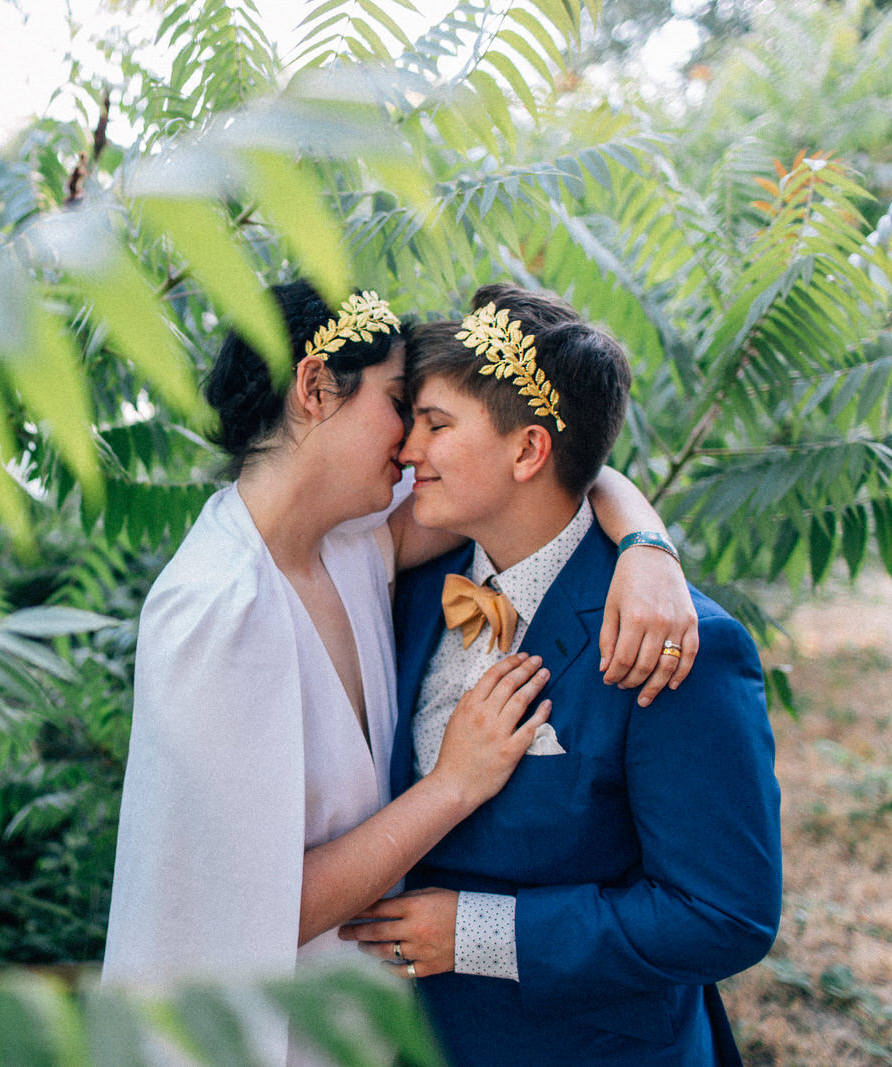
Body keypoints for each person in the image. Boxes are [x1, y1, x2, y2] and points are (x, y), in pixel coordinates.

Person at [103, 281, 700, 1066]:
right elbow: (251, 910)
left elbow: (549, 462)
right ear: (316, 388)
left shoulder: (352, 549)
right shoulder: (216, 606)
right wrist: (453, 784)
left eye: (428, 417)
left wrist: (647, 550)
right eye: (398, 403)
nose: (412, 441)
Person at [339, 285, 781, 1066]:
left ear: (528, 450)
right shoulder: (410, 580)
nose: (408, 449)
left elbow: (725, 915)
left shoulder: (678, 645)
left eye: (438, 425)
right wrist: (646, 532)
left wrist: (480, 933)